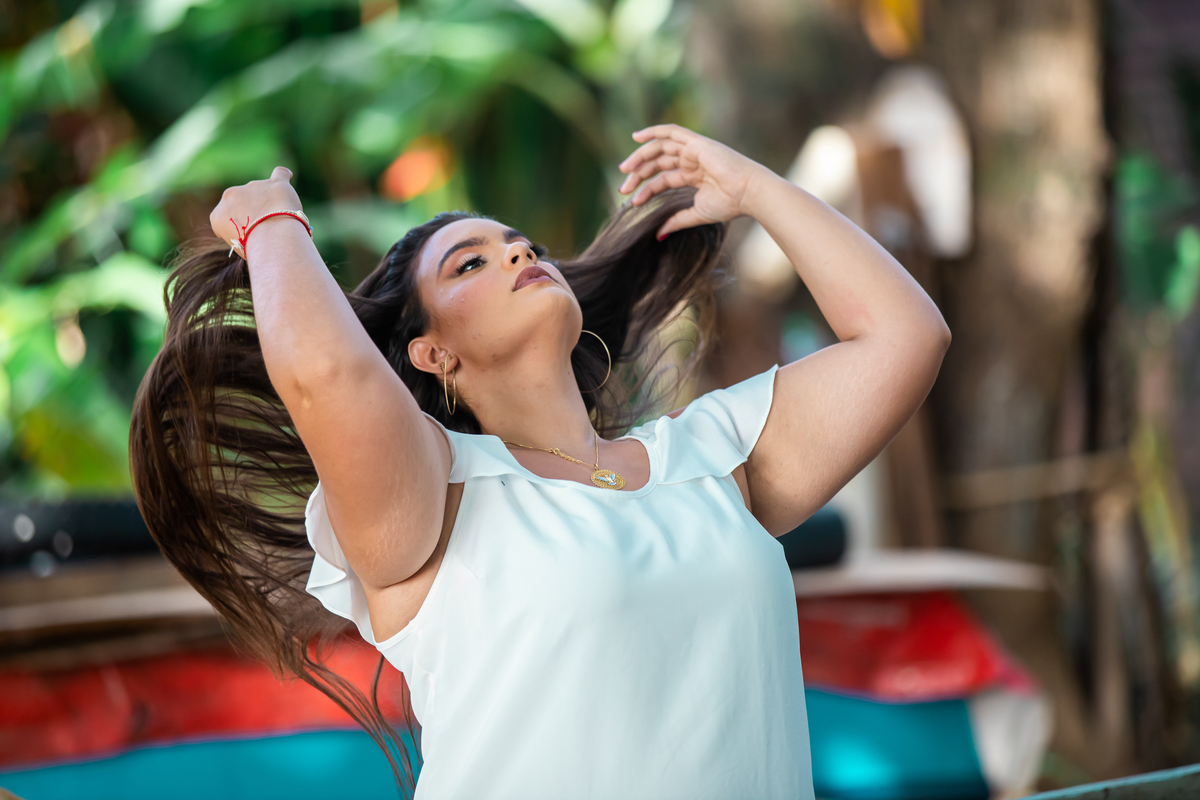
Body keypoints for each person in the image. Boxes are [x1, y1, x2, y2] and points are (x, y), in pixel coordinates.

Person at [130, 123, 950, 799]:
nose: (520, 257)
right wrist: (273, 222)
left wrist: (755, 189)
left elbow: (906, 337)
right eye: (471, 264)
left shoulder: (710, 456)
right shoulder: (433, 492)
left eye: (522, 247)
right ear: (430, 353)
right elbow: (326, 374)